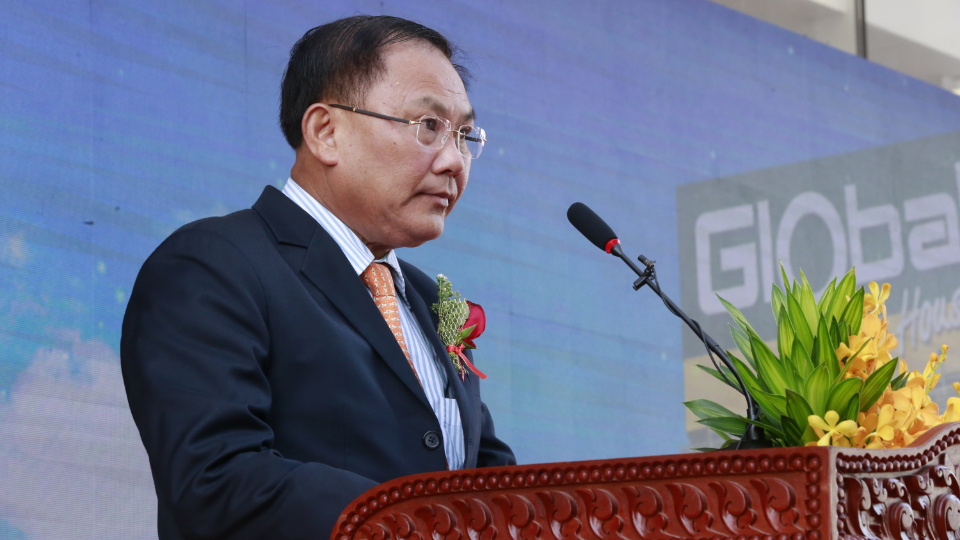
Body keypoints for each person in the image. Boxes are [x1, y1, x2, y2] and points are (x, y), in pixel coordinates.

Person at [120, 15, 515, 540]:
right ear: (326, 133)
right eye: (428, 126)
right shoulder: (214, 265)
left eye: (465, 135)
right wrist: (414, 526)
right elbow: (216, 480)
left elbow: (490, 481)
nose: (454, 161)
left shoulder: (431, 301)